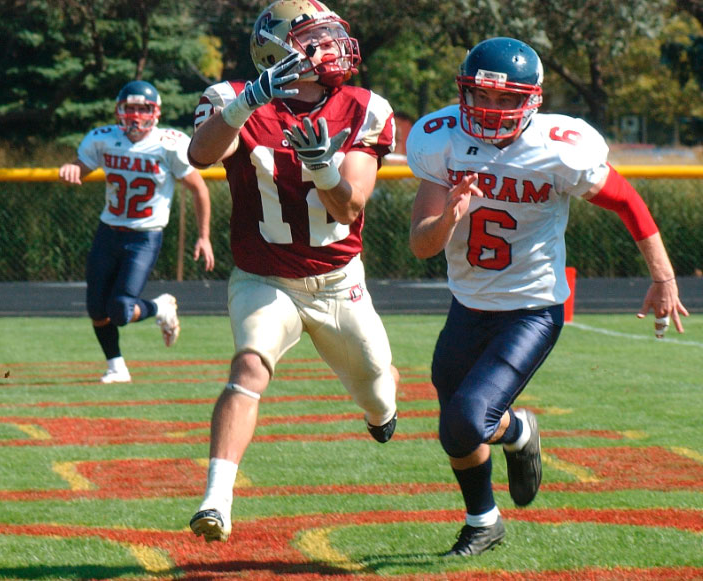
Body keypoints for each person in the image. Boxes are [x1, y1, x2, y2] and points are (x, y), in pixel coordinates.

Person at [406, 37, 689, 557]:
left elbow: (627, 200)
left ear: (531, 101)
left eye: (505, 100)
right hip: (468, 303)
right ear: (463, 94)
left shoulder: (558, 145)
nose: (491, 111)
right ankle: (483, 522)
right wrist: (451, 213)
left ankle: (517, 431)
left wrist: (663, 277)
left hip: (532, 307)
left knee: (471, 419)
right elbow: (423, 244)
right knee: (455, 428)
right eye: (481, 97)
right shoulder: (439, 137)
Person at [185, 0, 399, 543]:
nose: (331, 47)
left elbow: (350, 208)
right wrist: (248, 102)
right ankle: (216, 499)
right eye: (315, 37)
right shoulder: (232, 99)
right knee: (249, 364)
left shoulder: (365, 107)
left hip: (338, 281)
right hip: (265, 278)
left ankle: (380, 413)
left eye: (332, 35)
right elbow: (200, 153)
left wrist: (323, 164)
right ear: (276, 49)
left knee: (379, 394)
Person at [59, 80, 214, 384]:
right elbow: (82, 166)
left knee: (119, 308)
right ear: (120, 110)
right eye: (130, 108)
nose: (136, 115)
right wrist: (72, 170)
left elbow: (199, 190)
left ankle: (161, 307)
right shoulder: (102, 139)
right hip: (108, 231)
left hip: (144, 237)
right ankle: (116, 367)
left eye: (143, 108)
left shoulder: (169, 143)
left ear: (155, 112)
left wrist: (204, 235)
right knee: (96, 308)